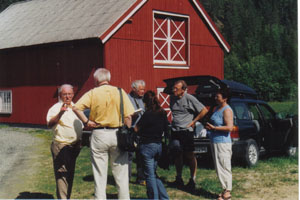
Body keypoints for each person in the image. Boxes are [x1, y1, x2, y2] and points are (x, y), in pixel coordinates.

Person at [72, 68, 135, 199]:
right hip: (118, 134)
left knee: (99, 174)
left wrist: (86, 121)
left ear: (96, 80)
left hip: (99, 134)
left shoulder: (93, 93)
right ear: (109, 79)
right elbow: (129, 116)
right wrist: (127, 133)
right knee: (121, 175)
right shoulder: (120, 91)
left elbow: (76, 107)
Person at [169, 80, 208, 191]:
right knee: (177, 154)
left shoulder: (189, 98)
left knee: (189, 155)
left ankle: (192, 179)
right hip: (175, 131)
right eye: (173, 88)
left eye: (176, 88)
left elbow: (204, 110)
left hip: (186, 132)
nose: (174, 90)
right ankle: (179, 178)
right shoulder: (172, 98)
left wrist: (194, 121)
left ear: (183, 90)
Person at [46, 84, 83, 199]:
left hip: (75, 146)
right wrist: (61, 113)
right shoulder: (55, 108)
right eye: (65, 94)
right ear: (60, 95)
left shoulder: (76, 107)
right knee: (62, 174)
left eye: (70, 94)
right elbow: (49, 124)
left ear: (73, 94)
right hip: (61, 145)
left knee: (70, 173)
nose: (67, 96)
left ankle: (67, 197)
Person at [135, 90, 169, 200]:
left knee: (149, 176)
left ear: (145, 102)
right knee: (153, 174)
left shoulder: (147, 114)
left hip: (147, 146)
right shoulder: (162, 112)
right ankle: (164, 197)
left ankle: (153, 198)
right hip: (158, 145)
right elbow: (166, 128)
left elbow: (137, 129)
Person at [205, 88, 233, 200]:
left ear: (225, 98)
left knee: (224, 165)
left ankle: (228, 191)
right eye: (215, 96)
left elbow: (229, 127)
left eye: (218, 96)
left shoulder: (227, 110)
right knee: (219, 167)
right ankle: (224, 189)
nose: (215, 98)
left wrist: (214, 128)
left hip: (223, 142)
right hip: (214, 141)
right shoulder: (217, 108)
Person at [128, 80, 146, 185]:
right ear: (134, 89)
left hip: (141, 130)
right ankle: (127, 179)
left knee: (141, 155)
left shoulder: (142, 99)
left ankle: (141, 178)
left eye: (144, 89)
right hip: (131, 130)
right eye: (141, 90)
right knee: (129, 155)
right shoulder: (127, 98)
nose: (143, 91)